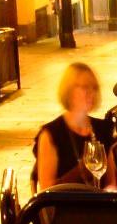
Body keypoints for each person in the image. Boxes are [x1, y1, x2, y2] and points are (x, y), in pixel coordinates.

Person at [33, 62, 109, 190]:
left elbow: (111, 182)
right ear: (69, 90)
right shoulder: (51, 134)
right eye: (85, 87)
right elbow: (47, 190)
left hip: (100, 206)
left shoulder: (103, 129)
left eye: (94, 87)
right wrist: (81, 170)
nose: (91, 92)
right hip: (66, 206)